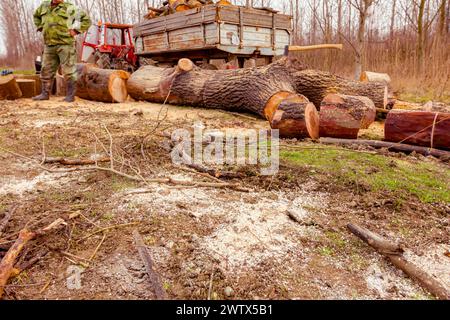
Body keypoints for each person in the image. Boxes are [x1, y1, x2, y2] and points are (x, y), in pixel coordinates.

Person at [33, 0, 91, 102]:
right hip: (49, 45)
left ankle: (70, 96)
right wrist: (40, 26)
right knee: (45, 70)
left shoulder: (70, 7)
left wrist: (76, 30)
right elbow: (36, 16)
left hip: (65, 44)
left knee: (69, 71)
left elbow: (86, 20)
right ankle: (44, 94)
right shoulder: (44, 5)